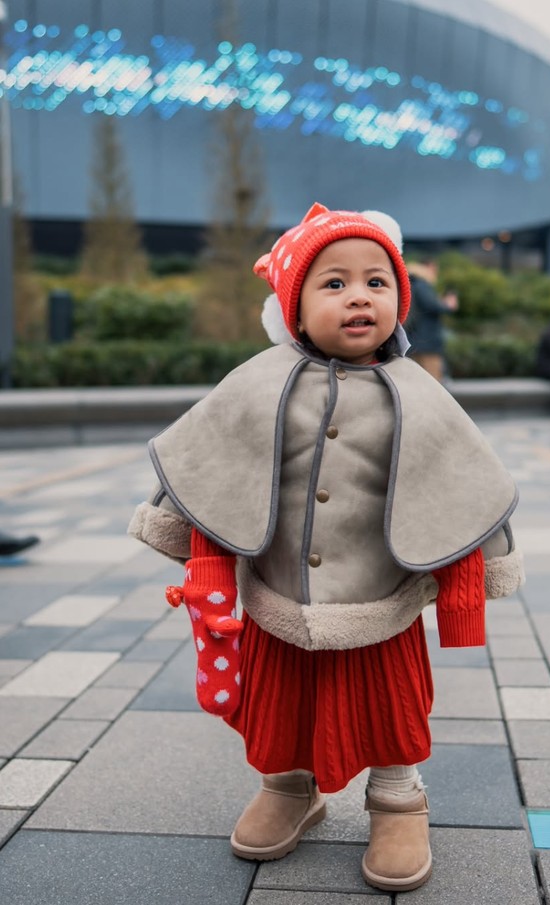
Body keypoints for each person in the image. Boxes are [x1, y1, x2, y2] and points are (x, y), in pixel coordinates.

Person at [128, 203, 524, 893]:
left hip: (382, 594)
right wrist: (192, 547)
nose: (359, 296)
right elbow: (206, 464)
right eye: (333, 283)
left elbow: (467, 483)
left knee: (391, 702)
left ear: (399, 301)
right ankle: (289, 783)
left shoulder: (419, 393)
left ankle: (398, 795)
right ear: (294, 308)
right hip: (278, 592)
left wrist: (474, 584)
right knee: (279, 700)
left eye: (377, 281)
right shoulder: (255, 382)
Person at [405, 258, 458, 381]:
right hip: (427, 341)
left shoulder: (412, 283)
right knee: (433, 381)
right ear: (429, 267)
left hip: (415, 339)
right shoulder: (422, 284)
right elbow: (431, 306)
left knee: (416, 380)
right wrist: (448, 305)